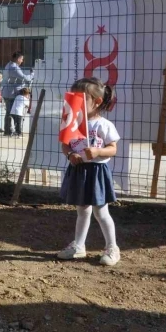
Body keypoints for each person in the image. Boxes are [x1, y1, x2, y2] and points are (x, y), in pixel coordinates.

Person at [57, 77, 121, 267]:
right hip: (78, 170)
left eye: (81, 99)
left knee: (101, 212)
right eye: (73, 98)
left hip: (96, 171)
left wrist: (98, 152)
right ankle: (79, 246)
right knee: (82, 210)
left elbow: (113, 148)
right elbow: (65, 145)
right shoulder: (72, 123)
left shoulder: (104, 125)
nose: (75, 103)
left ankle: (112, 247)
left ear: (97, 101)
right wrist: (70, 156)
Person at [1, 51, 33, 136]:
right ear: (18, 59)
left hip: (8, 92)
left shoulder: (9, 65)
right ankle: (12, 130)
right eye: (22, 59)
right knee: (13, 112)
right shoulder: (14, 67)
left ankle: (8, 130)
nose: (22, 61)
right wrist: (32, 75)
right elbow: (25, 78)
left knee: (9, 112)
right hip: (11, 93)